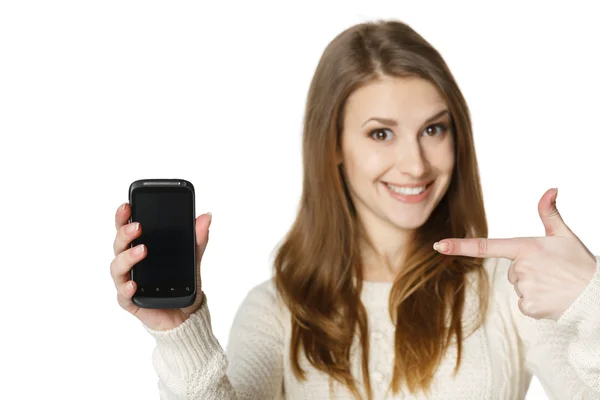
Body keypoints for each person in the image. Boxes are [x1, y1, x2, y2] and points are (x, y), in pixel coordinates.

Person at [109, 20, 600, 399]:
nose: (415, 164)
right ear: (334, 146)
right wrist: (180, 336)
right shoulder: (278, 312)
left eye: (433, 129)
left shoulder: (507, 289)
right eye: (381, 133)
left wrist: (591, 301)